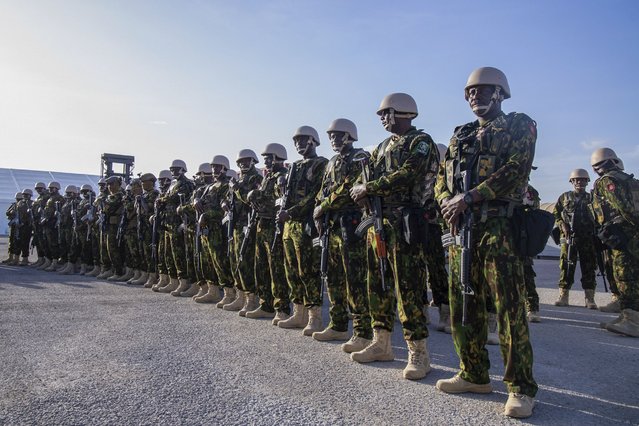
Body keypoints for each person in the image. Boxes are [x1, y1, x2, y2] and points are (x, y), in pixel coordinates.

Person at [434, 67, 538, 418]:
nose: (475, 96)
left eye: (483, 90)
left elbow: (516, 168)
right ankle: (474, 373)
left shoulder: (519, 124)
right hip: (462, 227)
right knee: (463, 300)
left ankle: (521, 388)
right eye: (470, 92)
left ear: (500, 93)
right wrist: (448, 202)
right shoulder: (460, 134)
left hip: (498, 226)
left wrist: (470, 197)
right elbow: (440, 178)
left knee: (508, 307)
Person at [349, 93, 437, 380]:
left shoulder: (420, 142)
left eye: (387, 113)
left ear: (404, 112)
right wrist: (360, 188)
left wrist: (370, 187)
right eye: (381, 114)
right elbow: (363, 179)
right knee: (377, 283)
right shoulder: (382, 147)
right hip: (378, 222)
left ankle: (418, 353)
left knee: (407, 288)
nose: (383, 118)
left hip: (405, 222)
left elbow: (409, 173)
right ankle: (382, 343)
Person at [312, 118, 373, 352]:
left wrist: (323, 205)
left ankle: (362, 331)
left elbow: (349, 188)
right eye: (331, 136)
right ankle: (337, 324)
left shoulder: (360, 157)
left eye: (338, 135)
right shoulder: (332, 162)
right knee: (333, 276)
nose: (333, 140)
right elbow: (323, 189)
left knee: (355, 278)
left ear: (350, 135)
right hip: (332, 225)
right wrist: (319, 211)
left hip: (351, 223)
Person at [277, 126, 328, 336]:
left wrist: (292, 211)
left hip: (305, 224)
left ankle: (314, 316)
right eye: (296, 140)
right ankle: (298, 313)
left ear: (314, 141)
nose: (298, 143)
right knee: (292, 270)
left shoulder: (321, 163)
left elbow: (316, 194)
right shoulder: (294, 167)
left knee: (308, 271)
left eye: (303, 139)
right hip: (289, 225)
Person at [590, 147, 639, 337]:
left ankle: (633, 320)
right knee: (632, 274)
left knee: (626, 276)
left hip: (624, 234)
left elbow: (624, 207)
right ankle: (627, 316)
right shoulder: (631, 180)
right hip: (631, 233)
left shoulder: (608, 181)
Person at [244, 143, 291, 323]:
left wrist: (256, 195)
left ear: (278, 157)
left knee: (276, 268)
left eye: (268, 158)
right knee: (261, 266)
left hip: (273, 224)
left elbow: (280, 201)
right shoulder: (267, 177)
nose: (265, 161)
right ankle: (266, 305)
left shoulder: (282, 177)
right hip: (261, 223)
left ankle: (282, 308)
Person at [222, 150, 263, 314]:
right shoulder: (238, 179)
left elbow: (250, 199)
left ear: (253, 161)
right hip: (235, 226)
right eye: (240, 162)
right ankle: (240, 296)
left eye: (246, 161)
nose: (243, 164)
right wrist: (224, 203)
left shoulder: (256, 178)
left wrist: (237, 188)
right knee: (235, 261)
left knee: (245, 262)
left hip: (248, 225)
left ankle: (251, 299)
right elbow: (225, 197)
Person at [553, 169, 598, 308]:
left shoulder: (592, 198)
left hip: (587, 238)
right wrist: (562, 225)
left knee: (589, 266)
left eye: (583, 179)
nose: (580, 182)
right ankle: (564, 296)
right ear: (572, 181)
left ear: (587, 181)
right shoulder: (564, 197)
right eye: (576, 179)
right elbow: (556, 213)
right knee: (566, 266)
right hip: (569, 237)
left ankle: (589, 298)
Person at [154, 160, 195, 294]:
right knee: (168, 254)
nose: (174, 172)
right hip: (168, 223)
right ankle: (173, 280)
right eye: (172, 170)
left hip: (178, 224)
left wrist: (162, 199)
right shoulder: (172, 185)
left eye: (177, 169)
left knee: (179, 254)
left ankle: (183, 281)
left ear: (183, 169)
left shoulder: (187, 184)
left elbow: (173, 199)